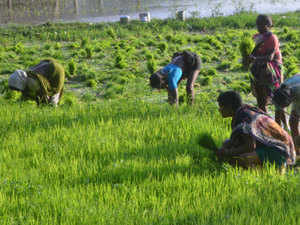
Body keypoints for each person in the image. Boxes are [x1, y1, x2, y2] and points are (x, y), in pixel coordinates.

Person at [217, 91, 296, 169]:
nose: (219, 110)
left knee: (240, 159)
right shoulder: (244, 111)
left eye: (221, 107)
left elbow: (250, 146)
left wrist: (227, 153)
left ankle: (268, 171)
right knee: (227, 143)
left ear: (229, 107)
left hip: (280, 151)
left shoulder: (244, 118)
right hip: (279, 147)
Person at [249, 14, 287, 128]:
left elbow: (270, 57)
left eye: (260, 24)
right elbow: (252, 53)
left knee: (278, 99)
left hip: (272, 69)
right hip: (258, 69)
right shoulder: (255, 37)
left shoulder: (272, 37)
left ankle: (281, 125)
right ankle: (266, 126)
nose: (258, 26)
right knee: (261, 101)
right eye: (257, 24)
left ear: (267, 25)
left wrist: (255, 59)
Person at [273, 74, 300, 155]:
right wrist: (277, 134)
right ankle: (297, 151)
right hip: (295, 93)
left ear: (289, 100)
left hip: (298, 91)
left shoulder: (297, 90)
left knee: (293, 121)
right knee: (292, 122)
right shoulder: (279, 93)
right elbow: (278, 114)